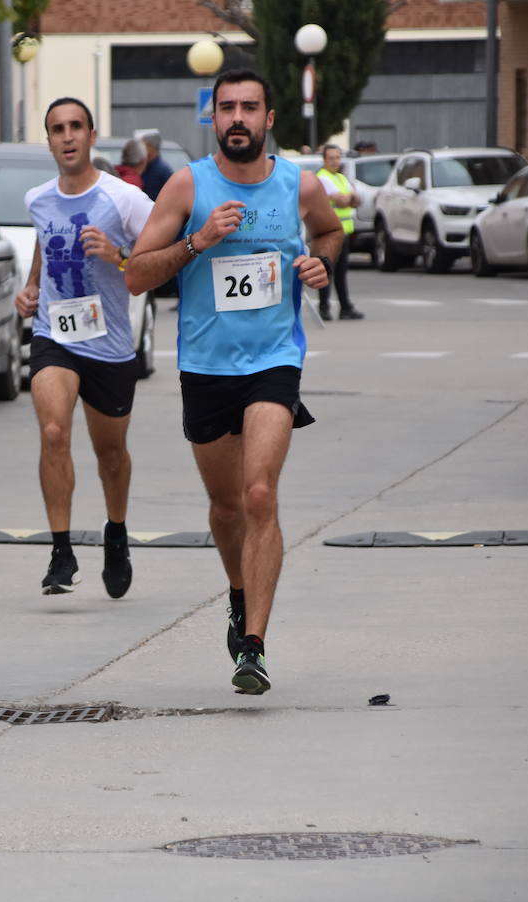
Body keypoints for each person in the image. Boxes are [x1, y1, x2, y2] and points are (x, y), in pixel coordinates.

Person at [124, 69, 343, 695]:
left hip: (274, 361)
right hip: (206, 368)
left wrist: (319, 263)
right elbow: (136, 275)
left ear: (270, 118)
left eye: (250, 107)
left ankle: (253, 645)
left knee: (259, 496)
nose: (238, 118)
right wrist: (197, 241)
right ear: (212, 118)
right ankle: (239, 589)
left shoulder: (297, 183)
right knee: (225, 507)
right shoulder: (188, 185)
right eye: (227, 108)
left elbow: (329, 230)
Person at [15, 98, 154, 599]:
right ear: (48, 140)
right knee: (54, 431)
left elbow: (161, 256)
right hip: (55, 335)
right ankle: (61, 550)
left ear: (92, 135)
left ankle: (115, 533)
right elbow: (42, 241)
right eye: (57, 129)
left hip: (110, 344)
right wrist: (32, 287)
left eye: (76, 127)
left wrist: (119, 256)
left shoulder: (124, 199)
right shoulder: (38, 198)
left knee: (110, 453)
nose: (67, 136)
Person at [315, 144, 364, 320]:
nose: (336, 161)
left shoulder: (341, 178)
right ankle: (324, 308)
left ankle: (345, 307)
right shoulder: (322, 178)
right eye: (332, 158)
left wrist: (349, 198)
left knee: (341, 273)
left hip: (344, 233)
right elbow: (344, 201)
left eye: (337, 157)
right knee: (327, 271)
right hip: (329, 233)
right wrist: (348, 198)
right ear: (324, 160)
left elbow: (357, 200)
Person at [137, 129, 173, 201]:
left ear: (152, 147)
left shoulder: (163, 170)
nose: (140, 149)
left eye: (144, 146)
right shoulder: (142, 165)